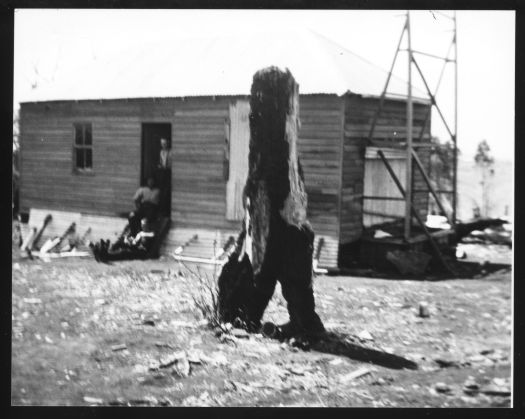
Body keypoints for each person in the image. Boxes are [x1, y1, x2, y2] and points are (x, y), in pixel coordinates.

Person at [91, 218, 155, 262]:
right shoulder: (141, 233)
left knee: (124, 252)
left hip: (143, 252)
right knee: (120, 244)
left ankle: (106, 255)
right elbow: (135, 242)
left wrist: (141, 235)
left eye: (144, 224)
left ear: (148, 225)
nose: (142, 226)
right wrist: (129, 240)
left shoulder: (149, 232)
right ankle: (106, 251)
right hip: (137, 248)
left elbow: (153, 234)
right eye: (142, 224)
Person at [157, 138, 172, 216]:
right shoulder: (161, 152)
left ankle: (167, 211)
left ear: (168, 143)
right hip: (163, 172)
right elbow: (160, 161)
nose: (163, 145)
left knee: (168, 190)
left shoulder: (171, 152)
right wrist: (160, 165)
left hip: (169, 172)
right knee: (162, 190)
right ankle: (162, 211)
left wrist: (168, 167)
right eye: (162, 144)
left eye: (165, 143)